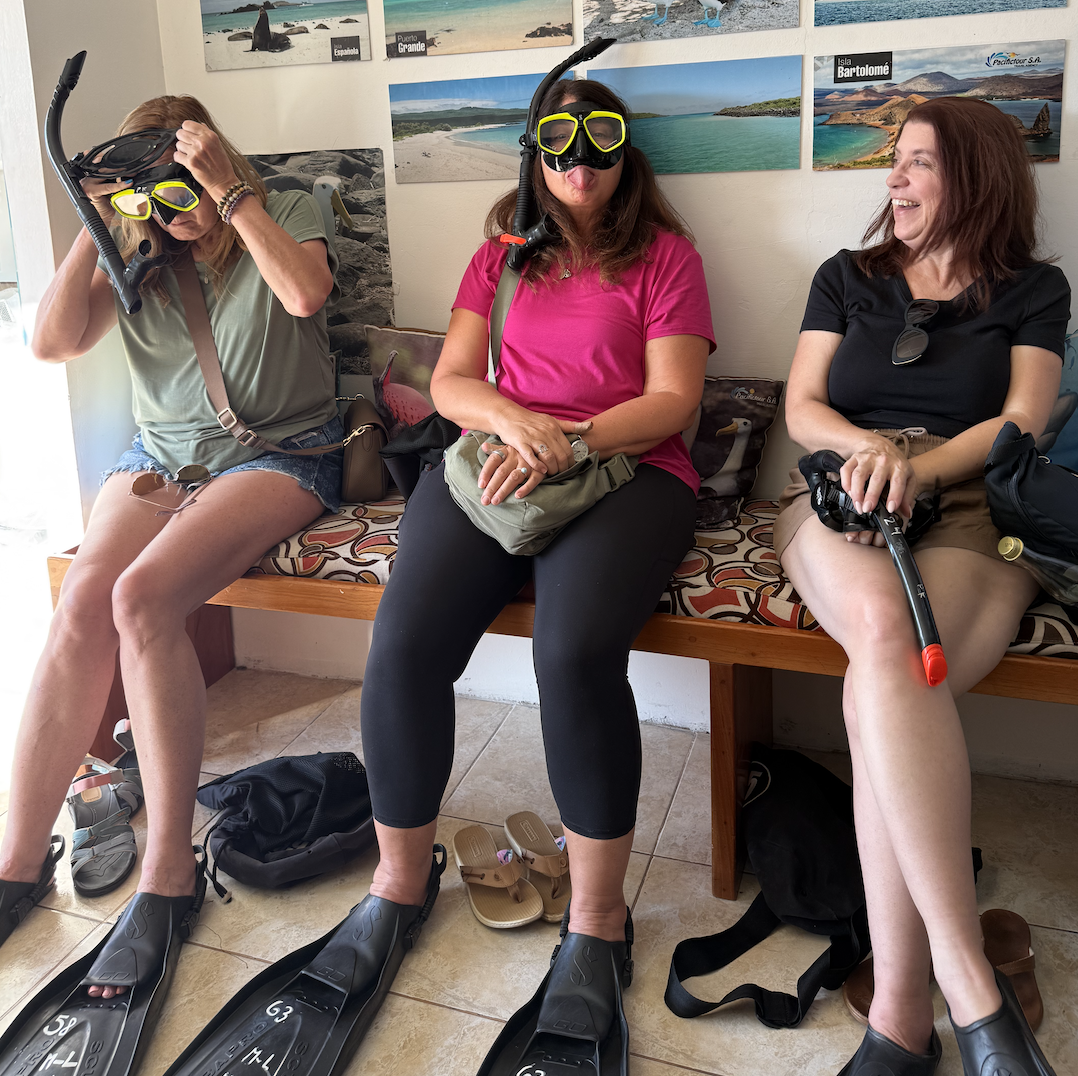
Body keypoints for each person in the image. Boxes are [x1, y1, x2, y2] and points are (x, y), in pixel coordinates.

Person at [359, 76, 714, 1068]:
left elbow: (674, 399)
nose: (577, 162)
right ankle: (396, 884)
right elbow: (451, 382)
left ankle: (597, 921)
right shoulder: (500, 255)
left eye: (598, 144)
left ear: (623, 152)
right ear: (534, 152)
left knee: (572, 653)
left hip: (631, 468)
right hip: (500, 466)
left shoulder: (666, 257)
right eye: (558, 144)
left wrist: (570, 437)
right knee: (404, 645)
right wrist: (512, 422)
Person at [0, 96, 342, 996]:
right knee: (82, 601)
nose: (168, 202)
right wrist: (98, 217)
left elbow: (305, 294)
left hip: (280, 454)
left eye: (177, 177)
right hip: (158, 458)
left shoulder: (287, 205)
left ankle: (167, 875)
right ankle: (17, 861)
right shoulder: (138, 249)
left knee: (142, 600)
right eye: (150, 186)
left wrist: (229, 200)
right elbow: (49, 344)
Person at [777, 100, 1069, 1076]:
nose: (892, 181)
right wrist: (867, 454)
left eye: (916, 165)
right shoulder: (845, 280)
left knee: (886, 674)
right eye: (892, 163)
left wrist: (924, 468)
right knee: (880, 627)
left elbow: (1022, 419)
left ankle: (899, 1015)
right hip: (843, 499)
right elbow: (801, 405)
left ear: (977, 177)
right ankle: (974, 994)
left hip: (976, 501)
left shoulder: (1033, 290)